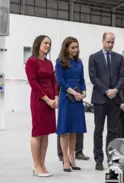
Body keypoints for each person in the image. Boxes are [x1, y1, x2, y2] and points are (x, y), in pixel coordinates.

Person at [88, 32, 124, 171]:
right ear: (103, 41)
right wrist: (106, 90)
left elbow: (122, 77)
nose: (110, 44)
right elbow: (93, 77)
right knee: (98, 130)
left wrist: (115, 90)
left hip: (115, 99)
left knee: (113, 130)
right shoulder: (93, 58)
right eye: (108, 42)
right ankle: (98, 159)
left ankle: (111, 158)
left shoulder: (119, 58)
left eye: (112, 42)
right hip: (100, 98)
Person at [25, 35, 58, 177]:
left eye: (49, 44)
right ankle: (36, 165)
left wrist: (56, 97)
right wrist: (47, 99)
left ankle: (43, 165)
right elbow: (33, 83)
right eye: (45, 43)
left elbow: (54, 81)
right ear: (38, 43)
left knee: (45, 134)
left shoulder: (49, 63)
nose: (47, 46)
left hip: (51, 100)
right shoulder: (31, 61)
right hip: (39, 100)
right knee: (37, 133)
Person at [55, 36, 87, 172]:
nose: (75, 50)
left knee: (74, 130)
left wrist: (84, 91)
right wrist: (73, 92)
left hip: (78, 98)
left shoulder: (79, 62)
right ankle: (65, 160)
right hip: (66, 98)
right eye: (72, 47)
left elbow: (82, 79)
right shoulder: (60, 62)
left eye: (76, 47)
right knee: (65, 130)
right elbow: (60, 81)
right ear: (66, 48)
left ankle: (72, 157)